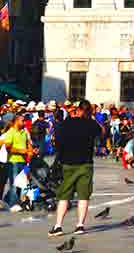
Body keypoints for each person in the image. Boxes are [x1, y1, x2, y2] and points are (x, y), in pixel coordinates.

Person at [48, 99, 101, 237]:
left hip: (68, 164)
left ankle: (58, 226)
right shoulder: (91, 124)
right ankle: (80, 226)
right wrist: (92, 118)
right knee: (83, 196)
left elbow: (57, 142)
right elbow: (102, 131)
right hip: (86, 164)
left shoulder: (66, 124)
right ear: (89, 111)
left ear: (77, 110)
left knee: (64, 195)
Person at [1, 112, 33, 211]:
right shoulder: (10, 132)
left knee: (22, 183)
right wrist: (21, 151)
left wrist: (30, 150)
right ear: (16, 121)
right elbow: (7, 147)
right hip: (13, 161)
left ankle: (9, 200)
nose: (24, 122)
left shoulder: (24, 132)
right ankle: (13, 204)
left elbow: (28, 143)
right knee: (14, 183)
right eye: (22, 121)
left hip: (23, 161)